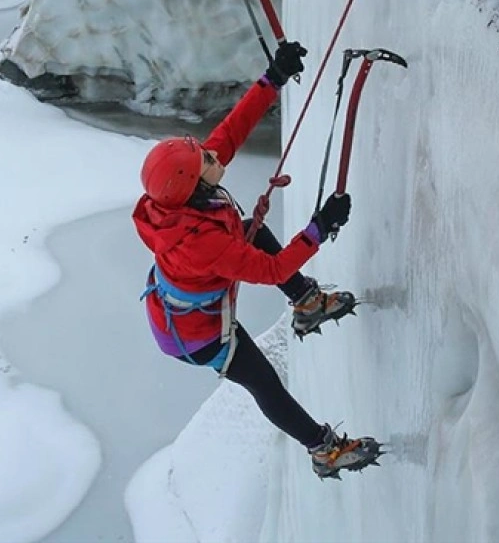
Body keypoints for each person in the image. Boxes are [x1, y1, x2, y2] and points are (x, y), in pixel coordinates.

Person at [131, 40, 382, 479]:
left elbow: (230, 132)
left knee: (251, 228)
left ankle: (307, 304)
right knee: (263, 382)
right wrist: (317, 229)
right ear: (192, 182)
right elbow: (272, 270)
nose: (213, 153)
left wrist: (273, 79)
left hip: (184, 306)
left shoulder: (187, 191)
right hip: (197, 336)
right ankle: (324, 450)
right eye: (204, 158)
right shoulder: (200, 241)